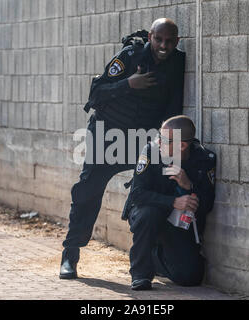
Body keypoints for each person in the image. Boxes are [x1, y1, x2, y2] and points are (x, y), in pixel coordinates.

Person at [60, 18, 186, 279]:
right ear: (150, 37)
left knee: (164, 183)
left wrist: (167, 149)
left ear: (177, 41)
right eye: (159, 39)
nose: (164, 45)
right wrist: (129, 83)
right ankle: (70, 254)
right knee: (88, 189)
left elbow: (173, 110)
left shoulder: (177, 64)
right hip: (109, 133)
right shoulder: (129, 56)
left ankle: (156, 260)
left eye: (169, 41)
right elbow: (95, 94)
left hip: (144, 138)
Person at [122, 115, 216, 290]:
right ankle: (141, 274)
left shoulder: (204, 159)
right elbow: (137, 194)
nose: (158, 142)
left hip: (178, 223)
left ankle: (155, 257)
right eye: (159, 135)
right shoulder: (150, 152)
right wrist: (173, 201)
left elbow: (207, 204)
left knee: (190, 277)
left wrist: (190, 186)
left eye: (164, 139)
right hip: (148, 215)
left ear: (182, 145)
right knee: (150, 213)